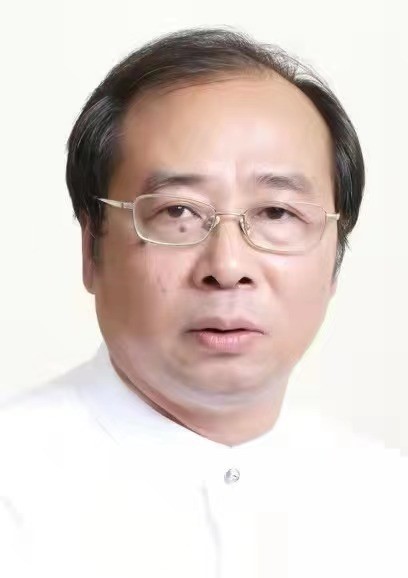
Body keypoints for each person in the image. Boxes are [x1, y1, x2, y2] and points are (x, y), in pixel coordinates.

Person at [0, 28, 406, 578]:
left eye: (277, 213)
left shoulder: (387, 503)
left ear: (335, 254)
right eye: (178, 212)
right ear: (92, 247)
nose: (228, 266)